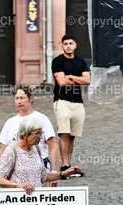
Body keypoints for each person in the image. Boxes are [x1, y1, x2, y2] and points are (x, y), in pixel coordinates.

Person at [52, 34, 90, 176]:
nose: (68, 46)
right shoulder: (58, 61)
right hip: (62, 100)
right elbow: (61, 82)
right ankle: (65, 165)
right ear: (62, 46)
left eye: (70, 43)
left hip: (77, 102)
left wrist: (72, 77)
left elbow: (88, 80)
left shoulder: (81, 61)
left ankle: (69, 164)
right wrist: (79, 79)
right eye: (65, 44)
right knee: (64, 133)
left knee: (72, 135)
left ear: (75, 45)